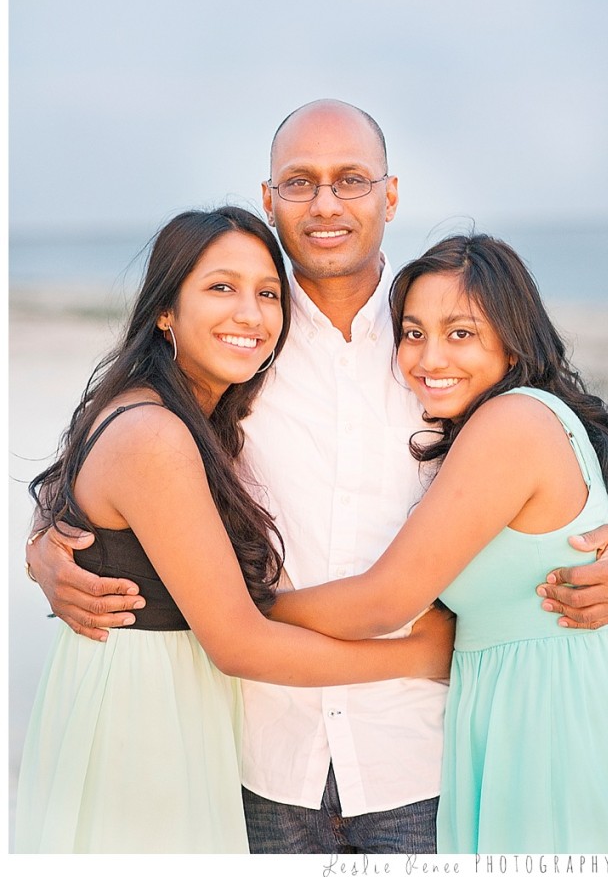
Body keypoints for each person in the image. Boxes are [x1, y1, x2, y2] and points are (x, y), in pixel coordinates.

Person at [26, 100, 608, 854]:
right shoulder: (239, 342)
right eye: (300, 182)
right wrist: (48, 548)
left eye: (351, 180)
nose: (326, 203)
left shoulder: (438, 335)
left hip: (420, 758)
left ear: (390, 197)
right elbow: (116, 455)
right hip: (264, 756)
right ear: (270, 200)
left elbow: (580, 439)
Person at [15, 206, 453, 854]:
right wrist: (419, 657)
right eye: (221, 287)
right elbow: (238, 643)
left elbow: (67, 489)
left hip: (162, 704)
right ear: (166, 310)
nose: (249, 313)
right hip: (143, 722)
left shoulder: (177, 409)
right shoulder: (155, 432)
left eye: (267, 293)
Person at [271, 233, 608, 853]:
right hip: (533, 706)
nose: (430, 358)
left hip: (551, 720)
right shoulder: (523, 416)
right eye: (413, 333)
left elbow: (385, 601)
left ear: (512, 340)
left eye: (461, 333)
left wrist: (240, 606)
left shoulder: (508, 423)